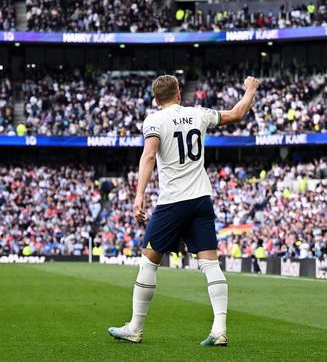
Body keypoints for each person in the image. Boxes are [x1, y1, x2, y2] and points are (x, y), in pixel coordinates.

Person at [108, 74, 260, 347]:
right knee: (210, 264)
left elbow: (149, 156)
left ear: (156, 99)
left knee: (149, 262)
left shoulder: (154, 120)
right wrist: (249, 89)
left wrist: (139, 194)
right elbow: (237, 113)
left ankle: (135, 328)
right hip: (201, 198)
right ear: (179, 93)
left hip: (173, 201)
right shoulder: (199, 114)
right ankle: (220, 329)